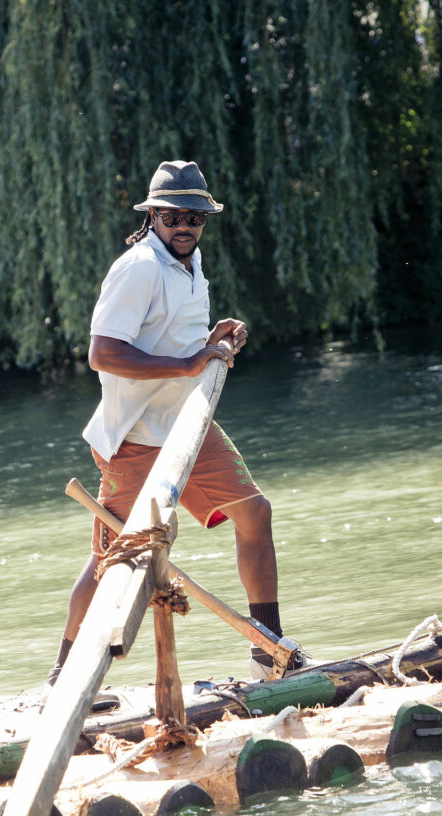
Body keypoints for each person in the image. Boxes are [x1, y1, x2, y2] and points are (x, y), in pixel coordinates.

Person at [46, 159, 301, 691]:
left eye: (195, 217)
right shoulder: (137, 267)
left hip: (189, 425)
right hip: (136, 439)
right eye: (173, 216)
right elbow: (102, 353)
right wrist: (186, 365)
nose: (185, 225)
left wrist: (214, 339)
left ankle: (268, 651)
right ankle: (62, 679)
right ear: (153, 216)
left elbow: (172, 342)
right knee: (112, 561)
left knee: (255, 513)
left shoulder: (190, 262)